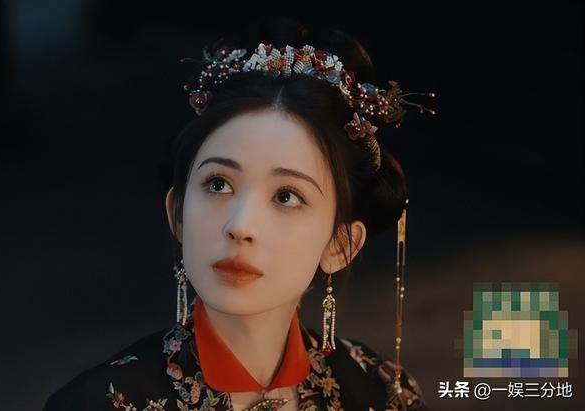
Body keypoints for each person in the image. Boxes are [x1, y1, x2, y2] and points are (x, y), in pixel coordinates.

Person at [44, 22, 432, 411]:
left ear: (341, 245)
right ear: (177, 213)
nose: (240, 226)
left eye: (286, 196)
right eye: (218, 185)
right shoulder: (98, 403)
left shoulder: (382, 392)